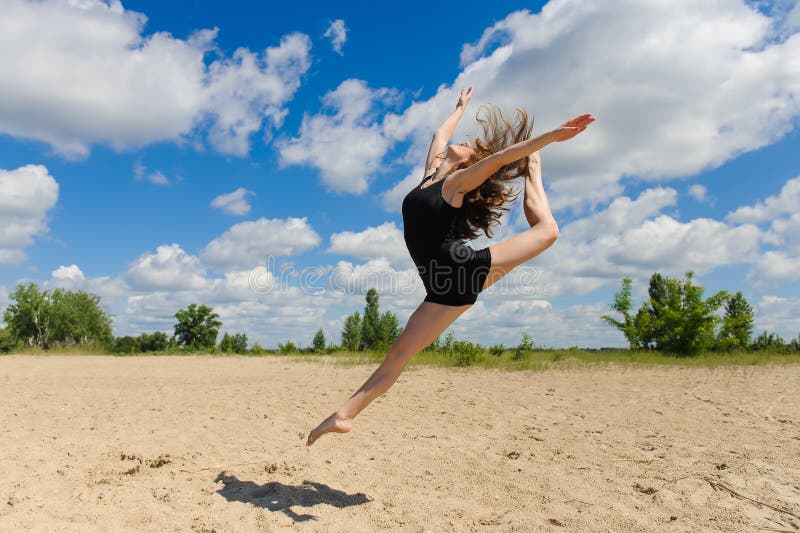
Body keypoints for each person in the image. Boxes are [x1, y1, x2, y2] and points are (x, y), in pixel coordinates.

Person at [306, 87, 594, 446]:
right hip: (441, 286)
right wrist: (460, 107)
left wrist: (548, 139)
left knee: (548, 231)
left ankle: (533, 166)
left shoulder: (456, 184)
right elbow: (439, 135)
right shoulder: (431, 176)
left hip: (459, 269)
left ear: (466, 164)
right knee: (397, 355)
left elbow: (499, 158)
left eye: (471, 148)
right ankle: (343, 416)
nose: (466, 142)